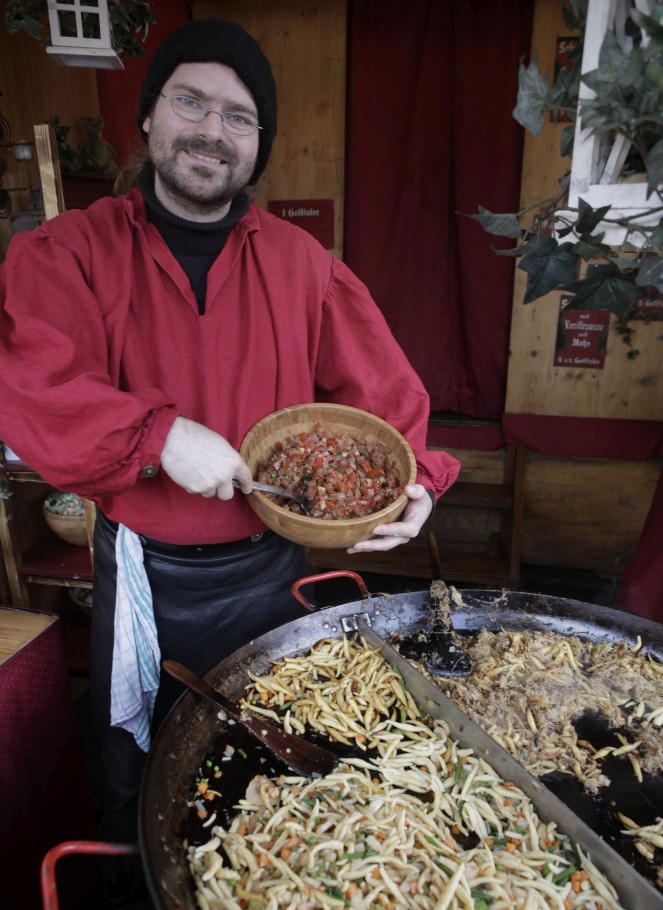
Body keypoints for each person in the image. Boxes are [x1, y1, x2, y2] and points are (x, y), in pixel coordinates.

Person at [0, 18, 460, 843]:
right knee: (136, 755)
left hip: (270, 569)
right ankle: (134, 891)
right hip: (144, 571)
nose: (212, 129)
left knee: (264, 745)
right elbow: (32, 384)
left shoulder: (303, 263)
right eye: (191, 102)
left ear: (258, 143)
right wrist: (159, 435)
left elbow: (386, 396)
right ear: (149, 115)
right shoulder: (66, 251)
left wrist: (418, 481)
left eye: (239, 116)